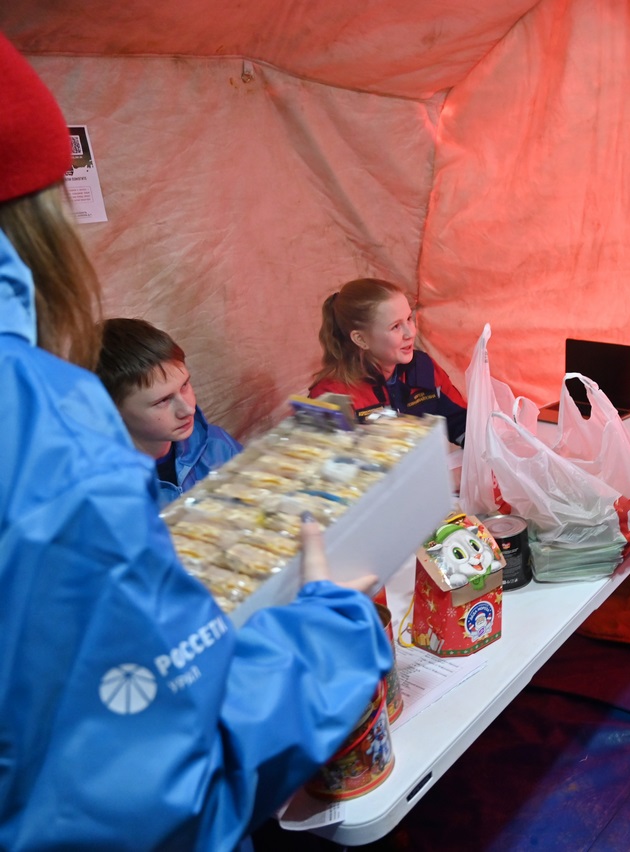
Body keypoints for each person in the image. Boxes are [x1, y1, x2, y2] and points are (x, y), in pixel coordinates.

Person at [0, 33, 391, 850]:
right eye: (162, 399)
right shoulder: (50, 428)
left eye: (188, 390)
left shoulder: (208, 445)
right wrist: (333, 628)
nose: (185, 409)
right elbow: (164, 760)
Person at [96, 317, 242, 504]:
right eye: (163, 400)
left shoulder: (216, 445)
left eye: (184, 385)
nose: (188, 409)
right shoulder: (103, 494)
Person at [310, 277, 467, 445]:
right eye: (395, 326)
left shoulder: (423, 368)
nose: (410, 333)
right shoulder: (331, 396)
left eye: (409, 319)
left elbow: (460, 423)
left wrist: (484, 441)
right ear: (361, 339)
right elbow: (324, 458)